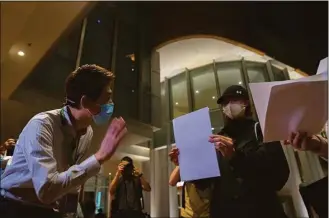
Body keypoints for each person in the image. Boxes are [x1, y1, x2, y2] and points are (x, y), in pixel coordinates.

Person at [0, 64, 127, 218]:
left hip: (48, 210)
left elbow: (68, 180)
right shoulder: (42, 125)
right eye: (107, 98)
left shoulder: (87, 132)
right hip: (15, 207)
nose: (111, 104)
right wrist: (99, 157)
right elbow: (46, 190)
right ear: (86, 102)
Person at [169, 85, 290, 218]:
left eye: (235, 100)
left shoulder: (260, 130)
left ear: (246, 103)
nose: (229, 105)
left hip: (260, 209)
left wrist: (235, 157)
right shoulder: (217, 138)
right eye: (225, 102)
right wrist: (187, 164)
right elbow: (206, 183)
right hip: (224, 210)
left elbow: (279, 175)